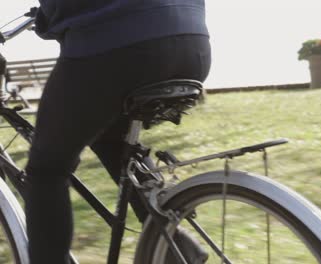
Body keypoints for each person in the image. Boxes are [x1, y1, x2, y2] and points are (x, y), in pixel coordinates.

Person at [25, 1, 211, 263]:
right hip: (192, 41)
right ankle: (172, 248)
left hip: (116, 46)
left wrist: (46, 21)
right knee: (113, 139)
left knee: (46, 171)